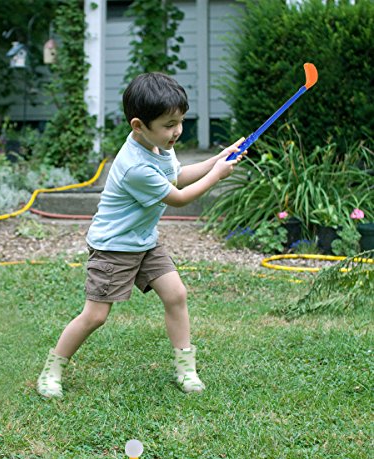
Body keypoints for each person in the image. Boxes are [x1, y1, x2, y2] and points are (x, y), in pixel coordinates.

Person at [37, 72, 245, 398]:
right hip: (114, 247)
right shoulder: (135, 166)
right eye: (169, 124)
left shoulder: (158, 145)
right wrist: (217, 175)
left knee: (176, 295)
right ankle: (52, 370)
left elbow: (177, 175)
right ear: (138, 125)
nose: (177, 130)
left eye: (180, 121)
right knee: (95, 316)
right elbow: (179, 197)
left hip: (144, 241)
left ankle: (186, 370)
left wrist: (218, 159)